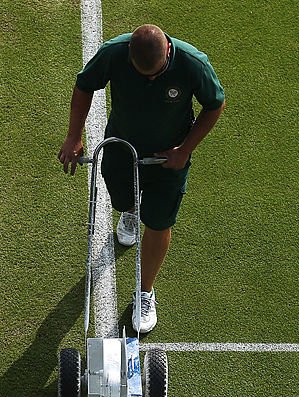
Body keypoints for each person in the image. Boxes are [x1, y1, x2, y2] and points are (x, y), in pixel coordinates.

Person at [58, 24, 225, 332]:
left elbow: (214, 104)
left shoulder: (193, 63)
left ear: (169, 53)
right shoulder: (113, 52)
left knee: (160, 222)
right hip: (122, 149)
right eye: (142, 74)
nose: (149, 79)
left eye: (156, 74)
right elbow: (84, 85)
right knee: (123, 199)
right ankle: (130, 211)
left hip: (168, 160)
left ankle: (145, 292)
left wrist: (185, 149)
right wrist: (73, 136)